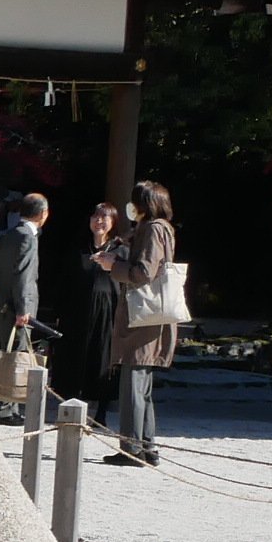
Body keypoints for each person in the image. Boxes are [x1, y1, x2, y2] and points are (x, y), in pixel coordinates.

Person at [99, 181, 178, 464]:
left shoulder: (152, 229)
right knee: (141, 385)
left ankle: (131, 449)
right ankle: (147, 447)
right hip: (155, 316)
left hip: (143, 316)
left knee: (133, 383)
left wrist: (113, 267)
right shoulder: (162, 228)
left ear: (143, 204)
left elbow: (143, 272)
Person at [63, 197, 124, 418]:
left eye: (104, 217)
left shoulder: (119, 250)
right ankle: (75, 406)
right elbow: (67, 280)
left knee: (104, 358)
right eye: (95, 216)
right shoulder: (79, 248)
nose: (99, 221)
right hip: (80, 309)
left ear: (113, 221)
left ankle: (102, 412)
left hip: (108, 311)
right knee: (79, 355)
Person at [0, 191, 47, 421]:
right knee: (16, 355)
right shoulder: (27, 237)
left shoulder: (10, 234)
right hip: (16, 307)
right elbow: (23, 276)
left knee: (9, 353)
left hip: (3, 303)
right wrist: (24, 309)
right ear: (44, 214)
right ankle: (5, 408)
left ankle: (7, 406)